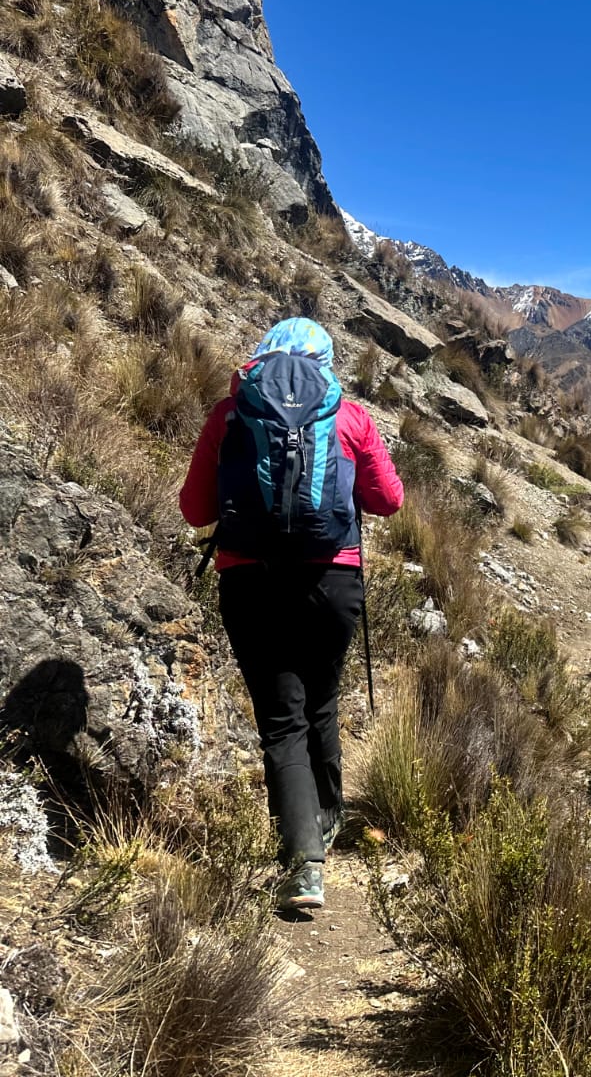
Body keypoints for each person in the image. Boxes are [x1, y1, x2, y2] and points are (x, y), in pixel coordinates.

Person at [180, 319, 403, 913]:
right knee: (323, 699)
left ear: (261, 358)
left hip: (249, 579)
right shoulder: (349, 417)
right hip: (332, 577)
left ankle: (304, 863)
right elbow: (389, 500)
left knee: (282, 717)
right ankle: (327, 818)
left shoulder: (229, 414)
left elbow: (195, 510)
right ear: (326, 364)